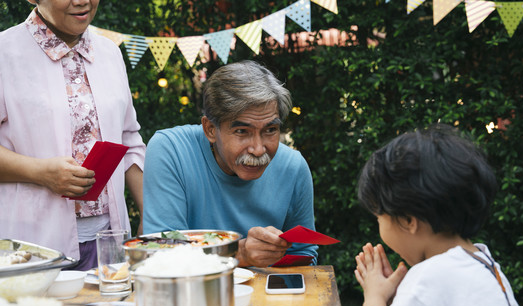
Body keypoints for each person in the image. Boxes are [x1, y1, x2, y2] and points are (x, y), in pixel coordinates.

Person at [354, 124, 523, 306]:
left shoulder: (432, 278)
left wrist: (374, 300)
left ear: (407, 220)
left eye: (379, 218)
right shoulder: (485, 264)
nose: (379, 227)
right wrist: (402, 299)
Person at [0, 0, 145, 270]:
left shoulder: (109, 53)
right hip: (31, 249)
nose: (81, 1)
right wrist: (40, 172)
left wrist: (150, 214)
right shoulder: (4, 54)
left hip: (110, 246)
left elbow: (129, 140)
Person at [143, 60, 317, 267]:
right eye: (242, 132)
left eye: (270, 130)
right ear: (209, 129)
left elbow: (304, 255)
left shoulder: (293, 167)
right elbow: (161, 254)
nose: (258, 149)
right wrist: (239, 254)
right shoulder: (171, 151)